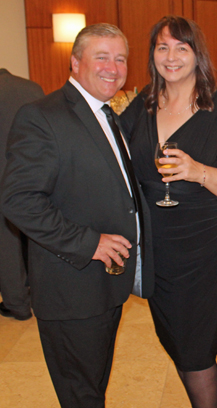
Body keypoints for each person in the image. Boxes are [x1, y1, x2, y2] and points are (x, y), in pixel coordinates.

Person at [1, 24, 154, 408]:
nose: (113, 67)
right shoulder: (42, 116)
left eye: (120, 59)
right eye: (101, 57)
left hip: (104, 287)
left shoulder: (107, 114)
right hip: (71, 290)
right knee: (81, 395)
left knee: (91, 390)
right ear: (75, 62)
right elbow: (18, 200)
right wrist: (90, 243)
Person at [120, 16, 217, 408]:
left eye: (182, 47)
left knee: (197, 349)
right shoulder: (143, 104)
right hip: (159, 247)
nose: (171, 56)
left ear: (197, 55)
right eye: (162, 47)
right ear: (152, 56)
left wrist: (195, 171)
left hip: (208, 250)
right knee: (175, 340)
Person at [0, 68, 44, 320]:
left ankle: (16, 303)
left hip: (3, 180)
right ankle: (39, 296)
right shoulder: (32, 88)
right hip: (35, 176)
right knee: (36, 238)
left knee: (7, 243)